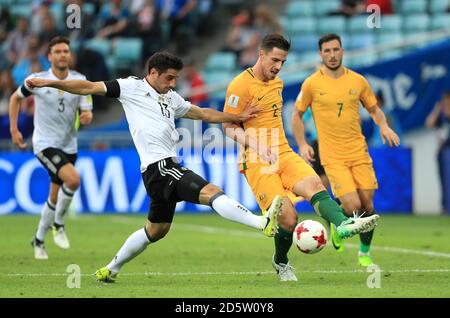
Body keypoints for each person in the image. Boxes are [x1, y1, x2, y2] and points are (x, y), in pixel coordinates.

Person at [26, 51, 283, 282]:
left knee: (156, 230)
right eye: (169, 78)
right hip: (160, 167)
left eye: (175, 79)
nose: (173, 84)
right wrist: (50, 82)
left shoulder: (170, 97)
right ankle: (261, 223)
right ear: (152, 73)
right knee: (211, 191)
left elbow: (203, 113)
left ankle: (111, 268)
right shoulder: (130, 87)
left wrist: (237, 117)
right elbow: (88, 87)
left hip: (158, 172)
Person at [222, 33, 380, 282]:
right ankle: (281, 261)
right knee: (287, 217)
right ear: (261, 55)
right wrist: (255, 143)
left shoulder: (278, 83)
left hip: (283, 152)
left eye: (283, 62)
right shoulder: (239, 86)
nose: (278, 66)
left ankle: (343, 224)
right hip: (256, 159)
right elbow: (228, 128)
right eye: (275, 60)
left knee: (314, 183)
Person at [292, 34, 400, 267]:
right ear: (321, 54)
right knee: (353, 206)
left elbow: (374, 108)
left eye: (336, 50)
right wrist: (302, 144)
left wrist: (383, 126)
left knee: (368, 204)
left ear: (342, 51)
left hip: (359, 151)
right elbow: (297, 115)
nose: (332, 55)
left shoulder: (358, 81)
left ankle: (364, 251)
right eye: (327, 51)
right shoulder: (311, 83)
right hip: (332, 155)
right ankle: (338, 220)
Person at [9, 36, 94, 260]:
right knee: (73, 180)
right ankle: (59, 224)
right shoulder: (37, 80)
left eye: (66, 51)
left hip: (69, 145)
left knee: (54, 197)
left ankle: (38, 240)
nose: (62, 55)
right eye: (57, 51)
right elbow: (14, 99)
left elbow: (87, 108)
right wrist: (15, 130)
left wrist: (87, 115)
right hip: (45, 143)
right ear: (49, 56)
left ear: (70, 55)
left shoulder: (80, 80)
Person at [425, 90, 450, 213]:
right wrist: (437, 109)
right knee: (443, 180)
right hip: (442, 151)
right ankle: (445, 206)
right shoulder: (441, 115)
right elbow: (429, 123)